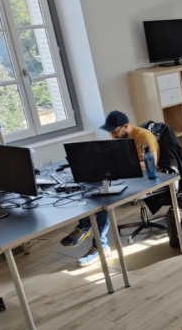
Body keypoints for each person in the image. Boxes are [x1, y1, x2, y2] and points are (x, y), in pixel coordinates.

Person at [60, 110, 159, 266]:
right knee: (92, 188)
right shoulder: (119, 137)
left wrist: (120, 165)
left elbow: (151, 163)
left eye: (115, 132)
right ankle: (85, 226)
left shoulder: (144, 136)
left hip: (145, 179)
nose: (113, 136)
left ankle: (100, 247)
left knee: (107, 198)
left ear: (126, 126)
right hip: (124, 176)